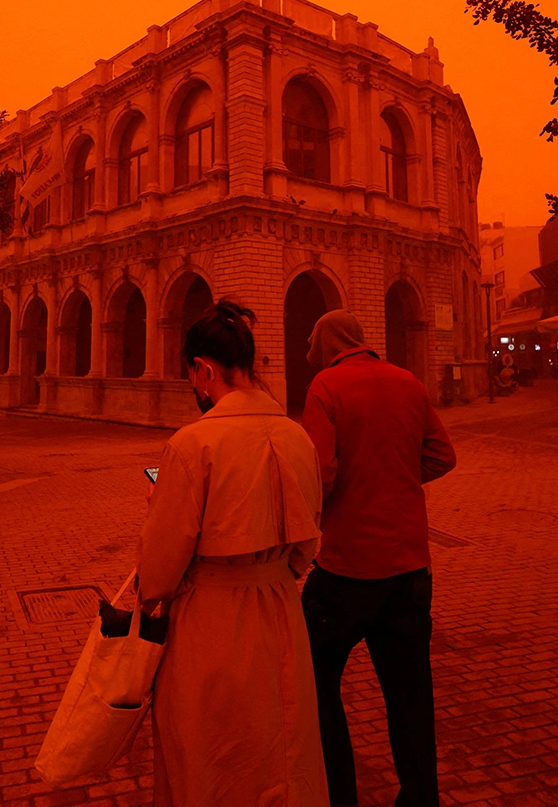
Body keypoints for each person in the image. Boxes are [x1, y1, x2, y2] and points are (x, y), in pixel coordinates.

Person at [138, 299, 330, 806]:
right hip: (281, 611)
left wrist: (160, 506)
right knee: (283, 748)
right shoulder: (297, 436)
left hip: (213, 621)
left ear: (203, 371)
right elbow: (306, 546)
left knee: (213, 759)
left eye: (191, 377)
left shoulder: (192, 444)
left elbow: (157, 574)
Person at [300, 309, 457, 807]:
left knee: (315, 680)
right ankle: (419, 797)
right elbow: (442, 455)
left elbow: (319, 475)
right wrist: (395, 480)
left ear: (326, 345)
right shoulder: (407, 382)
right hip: (411, 568)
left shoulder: (325, 387)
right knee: (410, 695)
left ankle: (339, 794)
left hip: (347, 569)